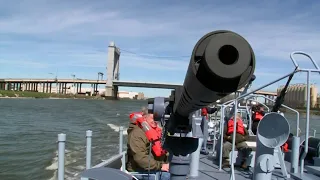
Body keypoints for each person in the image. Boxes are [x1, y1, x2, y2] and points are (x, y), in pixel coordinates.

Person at [127, 108, 170, 180]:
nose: (155, 121)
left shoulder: (157, 131)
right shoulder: (137, 134)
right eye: (153, 118)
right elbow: (140, 158)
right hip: (139, 171)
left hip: (155, 167)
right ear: (144, 118)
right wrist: (161, 166)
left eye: (156, 118)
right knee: (171, 177)